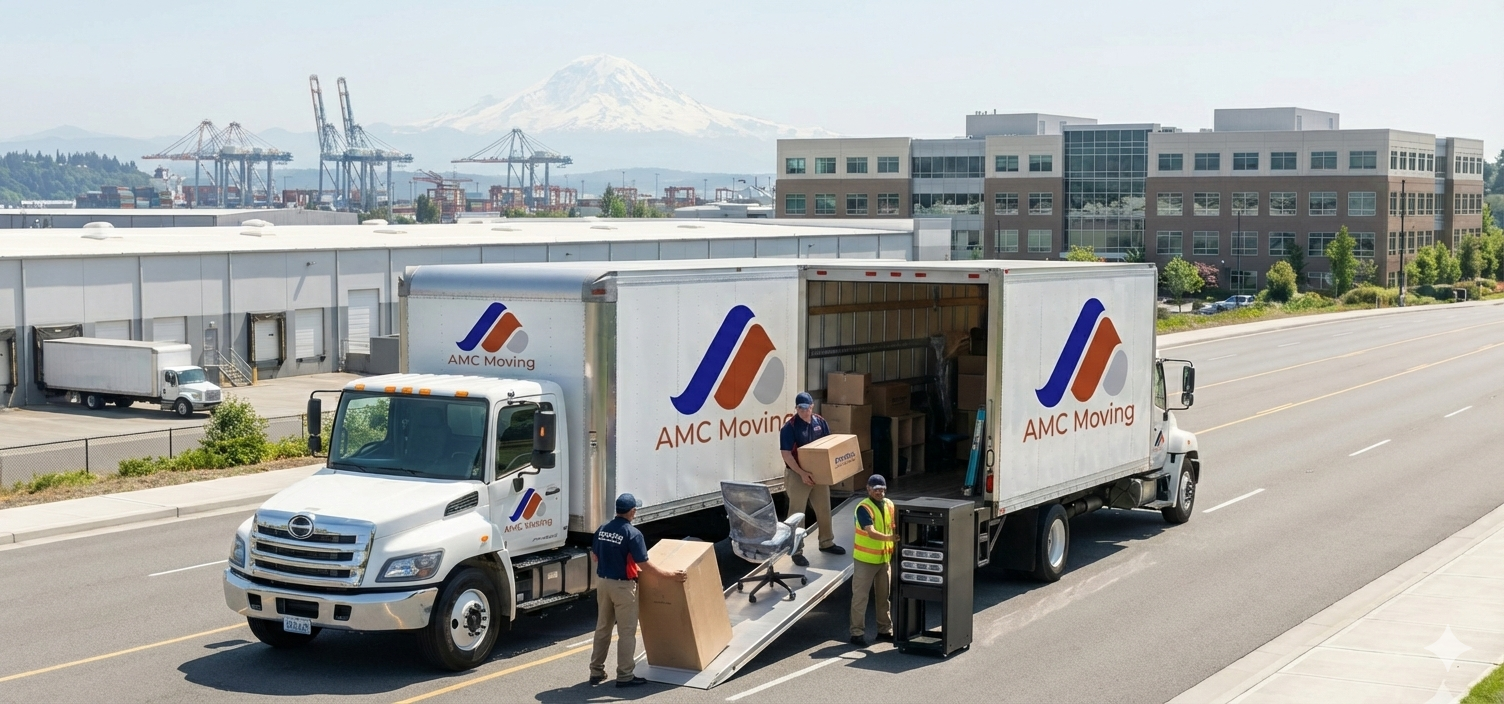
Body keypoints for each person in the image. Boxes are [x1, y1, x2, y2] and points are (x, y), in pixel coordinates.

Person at [589, 493, 686, 687]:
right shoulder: (632, 534)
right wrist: (671, 576)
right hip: (623, 587)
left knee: (602, 629)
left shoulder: (602, 529)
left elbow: (594, 556)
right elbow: (645, 565)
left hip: (603, 583)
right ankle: (625, 676)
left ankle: (596, 672)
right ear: (632, 511)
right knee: (626, 633)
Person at [779, 391, 846, 567]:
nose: (804, 412)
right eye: (800, 409)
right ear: (796, 408)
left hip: (818, 473)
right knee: (797, 513)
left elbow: (827, 446)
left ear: (812, 406)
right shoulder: (790, 427)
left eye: (806, 408)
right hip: (797, 474)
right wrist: (802, 473)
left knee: (824, 508)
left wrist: (829, 471)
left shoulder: (820, 422)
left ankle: (826, 542)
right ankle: (796, 549)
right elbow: (786, 454)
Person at [850, 474, 895, 645]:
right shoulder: (864, 508)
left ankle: (884, 630)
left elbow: (892, 525)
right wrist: (891, 539)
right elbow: (870, 532)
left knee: (884, 597)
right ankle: (856, 633)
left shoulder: (889, 504)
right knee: (860, 598)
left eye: (882, 489)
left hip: (883, 559)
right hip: (865, 560)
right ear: (868, 489)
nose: (879, 492)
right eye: (876, 489)